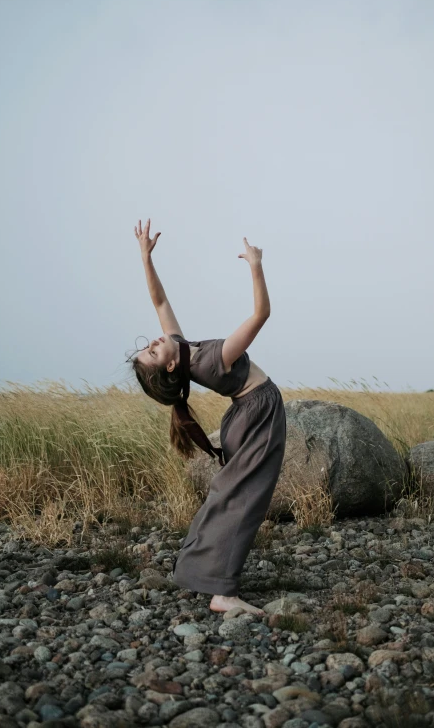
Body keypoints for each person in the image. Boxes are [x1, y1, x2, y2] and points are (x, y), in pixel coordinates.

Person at [128, 218, 286, 615]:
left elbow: (160, 302)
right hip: (259, 414)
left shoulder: (183, 350)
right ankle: (223, 592)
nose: (153, 342)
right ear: (166, 369)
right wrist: (255, 265)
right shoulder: (214, 361)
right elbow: (261, 314)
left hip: (245, 416)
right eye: (151, 352)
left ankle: (199, 571)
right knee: (245, 499)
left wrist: (145, 258)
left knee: (229, 495)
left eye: (147, 346)